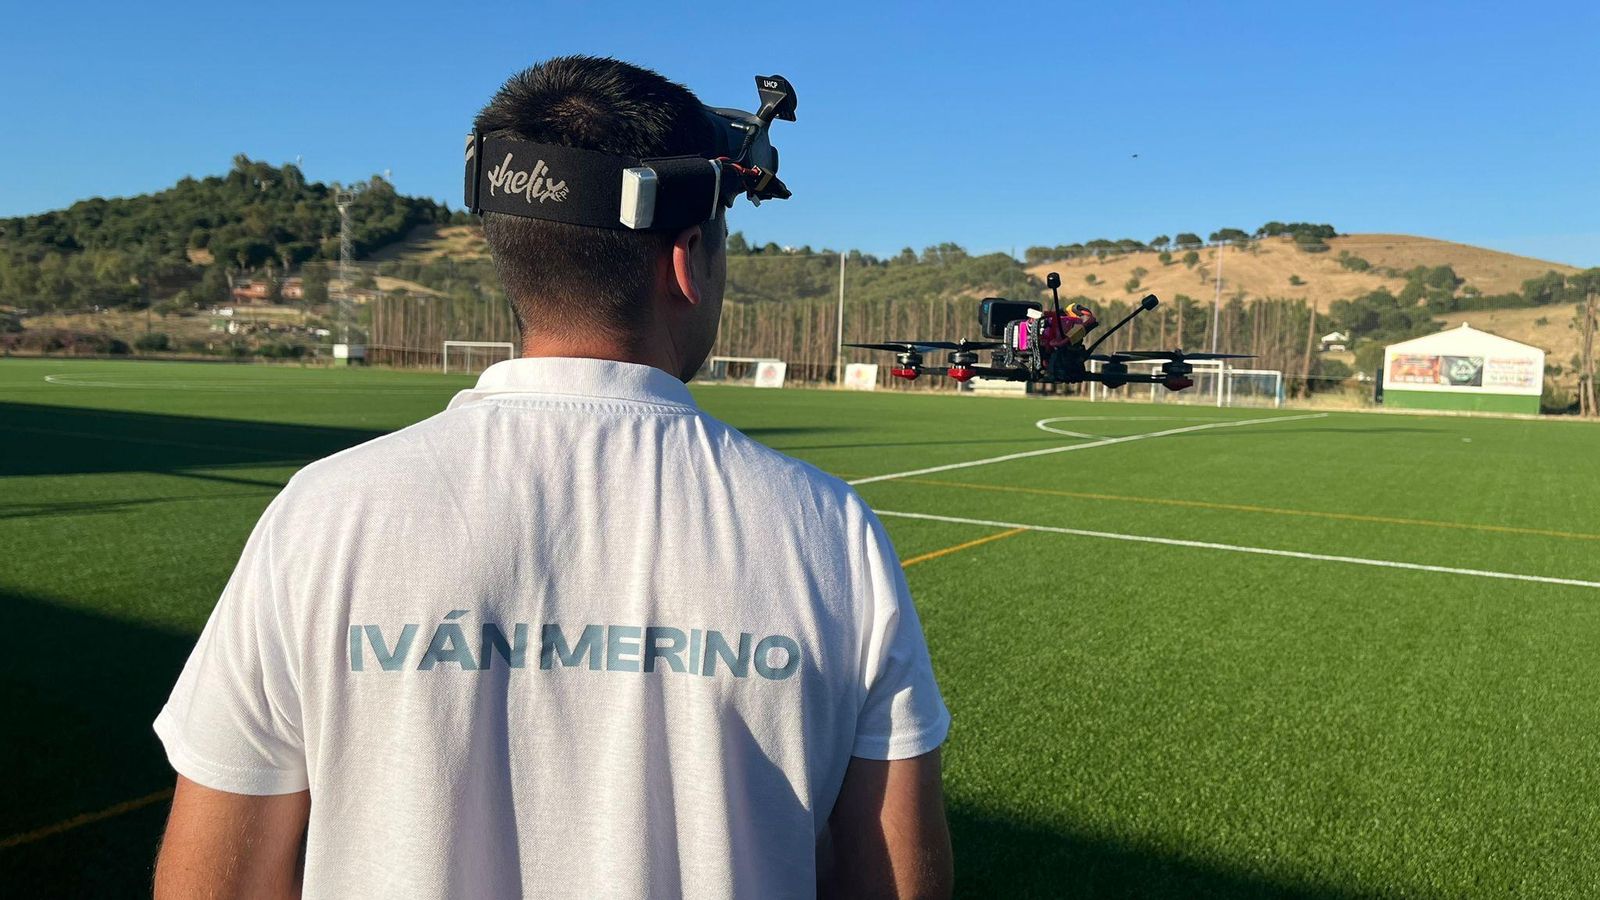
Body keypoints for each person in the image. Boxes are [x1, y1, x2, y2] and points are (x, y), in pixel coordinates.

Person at [152, 55, 952, 899]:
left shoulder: (322, 515)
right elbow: (896, 881)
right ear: (687, 259)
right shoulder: (832, 534)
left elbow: (218, 879)